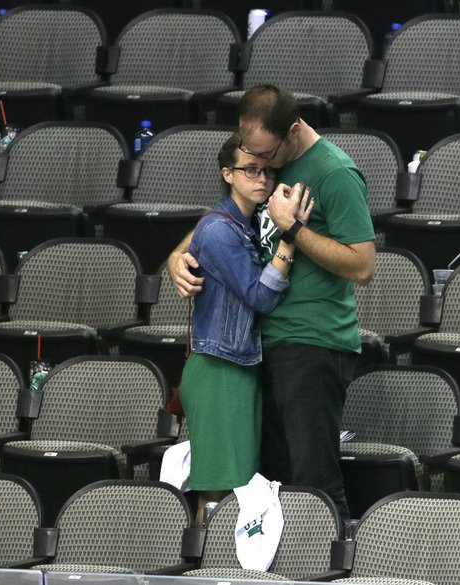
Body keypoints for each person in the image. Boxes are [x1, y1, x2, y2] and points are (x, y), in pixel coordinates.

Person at [169, 85, 376, 520]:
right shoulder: (265, 166)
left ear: (294, 131)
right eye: (250, 156)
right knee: (265, 489)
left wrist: (294, 232)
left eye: (266, 155)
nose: (260, 168)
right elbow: (223, 217)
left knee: (313, 482)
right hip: (259, 346)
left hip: (312, 342)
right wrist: (178, 254)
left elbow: (362, 265)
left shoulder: (334, 172)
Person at [181, 133, 313, 526]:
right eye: (250, 170)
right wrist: (290, 239)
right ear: (228, 174)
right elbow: (259, 296)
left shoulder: (246, 224)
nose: (262, 179)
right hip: (218, 369)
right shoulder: (220, 230)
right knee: (219, 488)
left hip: (235, 366)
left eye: (267, 171)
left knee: (236, 486)